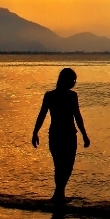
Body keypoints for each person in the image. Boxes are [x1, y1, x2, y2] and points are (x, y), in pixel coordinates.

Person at [32, 68, 90, 204]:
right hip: (61, 135)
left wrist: (84, 135)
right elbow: (42, 115)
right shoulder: (53, 96)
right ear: (66, 80)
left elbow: (77, 117)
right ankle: (59, 195)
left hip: (65, 134)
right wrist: (35, 132)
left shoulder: (68, 95)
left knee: (65, 166)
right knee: (62, 166)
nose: (74, 83)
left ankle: (59, 194)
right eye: (73, 80)